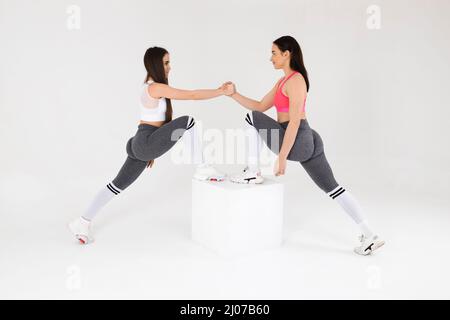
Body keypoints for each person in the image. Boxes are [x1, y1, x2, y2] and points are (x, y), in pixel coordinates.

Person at [224, 36, 385, 255]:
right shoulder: (282, 82)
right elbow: (261, 106)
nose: (270, 58)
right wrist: (233, 94)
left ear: (286, 54)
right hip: (306, 138)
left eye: (273, 53)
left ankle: (252, 171)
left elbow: (295, 121)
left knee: (252, 118)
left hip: (299, 137)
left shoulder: (296, 81)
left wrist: (281, 157)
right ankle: (369, 235)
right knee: (334, 189)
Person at [68, 46, 232, 244]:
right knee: (187, 121)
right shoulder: (154, 87)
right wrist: (221, 91)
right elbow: (192, 95)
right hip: (144, 141)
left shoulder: (149, 88)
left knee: (117, 186)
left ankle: (82, 221)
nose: (170, 67)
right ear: (155, 64)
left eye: (169, 62)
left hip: (143, 141)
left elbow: (148, 121)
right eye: (166, 63)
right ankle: (204, 168)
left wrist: (151, 150)